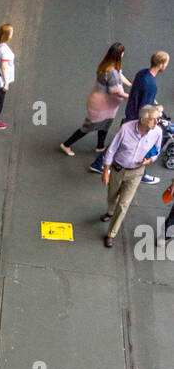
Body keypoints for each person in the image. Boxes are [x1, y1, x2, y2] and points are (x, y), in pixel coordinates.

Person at [100, 104, 164, 246]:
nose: (156, 122)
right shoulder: (126, 129)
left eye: (157, 119)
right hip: (118, 169)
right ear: (143, 119)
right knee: (112, 195)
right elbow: (112, 150)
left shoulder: (157, 132)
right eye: (153, 119)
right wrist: (106, 171)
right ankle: (110, 212)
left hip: (136, 172)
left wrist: (149, 160)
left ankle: (111, 234)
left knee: (123, 204)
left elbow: (157, 151)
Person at [59, 43, 130, 164]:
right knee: (88, 127)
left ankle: (100, 146)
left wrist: (129, 84)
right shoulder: (111, 71)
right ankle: (66, 144)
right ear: (120, 54)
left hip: (107, 106)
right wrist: (130, 95)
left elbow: (120, 74)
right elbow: (114, 91)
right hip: (102, 106)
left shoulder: (108, 64)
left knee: (106, 124)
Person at [120, 50, 169, 183]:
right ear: (161, 64)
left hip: (130, 111)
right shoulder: (151, 85)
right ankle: (141, 174)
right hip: (138, 118)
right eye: (166, 63)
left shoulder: (142, 73)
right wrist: (156, 115)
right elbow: (145, 109)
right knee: (141, 147)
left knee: (124, 141)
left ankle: (100, 162)